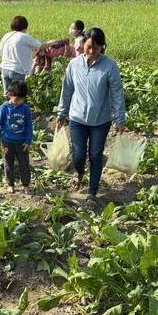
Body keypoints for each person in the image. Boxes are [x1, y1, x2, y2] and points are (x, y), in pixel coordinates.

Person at [57, 28, 125, 206]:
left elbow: (117, 93)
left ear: (102, 47)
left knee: (95, 155)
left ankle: (92, 194)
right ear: (83, 44)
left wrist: (119, 118)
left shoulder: (110, 66)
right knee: (78, 155)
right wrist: (62, 112)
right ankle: (79, 173)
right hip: (77, 118)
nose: (92, 51)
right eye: (88, 46)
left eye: (96, 47)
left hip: (100, 121)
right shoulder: (74, 65)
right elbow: (67, 89)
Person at [0, 81, 34, 193]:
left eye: (21, 99)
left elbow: (29, 125)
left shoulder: (25, 109)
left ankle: (26, 185)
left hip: (22, 142)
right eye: (17, 98)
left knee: (24, 164)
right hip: (6, 142)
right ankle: (10, 184)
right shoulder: (3, 108)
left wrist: (28, 141)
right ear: (9, 95)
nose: (19, 101)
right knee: (7, 163)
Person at [0, 15, 42, 94]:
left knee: (8, 95)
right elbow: (40, 46)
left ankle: (7, 106)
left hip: (4, 68)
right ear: (25, 26)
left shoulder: (6, 35)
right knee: (18, 95)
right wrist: (55, 42)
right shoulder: (23, 36)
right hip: (17, 70)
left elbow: (0, 53)